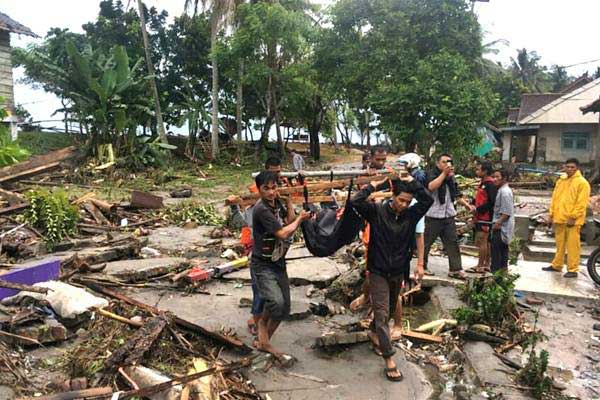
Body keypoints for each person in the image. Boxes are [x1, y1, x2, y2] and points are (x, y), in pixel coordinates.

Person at [352, 175, 433, 382]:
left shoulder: (411, 215)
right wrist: (376, 184)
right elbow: (356, 201)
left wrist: (413, 182)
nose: (404, 205)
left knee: (387, 310)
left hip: (398, 271)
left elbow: (428, 200)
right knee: (381, 313)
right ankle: (389, 359)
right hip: (378, 270)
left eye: (407, 201)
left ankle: (373, 332)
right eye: (401, 200)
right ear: (393, 196)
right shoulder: (377, 211)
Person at [251, 170, 311, 359]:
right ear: (259, 190)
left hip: (278, 262)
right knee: (276, 303)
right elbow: (283, 233)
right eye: (266, 189)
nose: (271, 192)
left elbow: (289, 221)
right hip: (263, 263)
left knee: (284, 309)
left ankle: (263, 340)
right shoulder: (261, 209)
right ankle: (262, 329)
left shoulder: (276, 203)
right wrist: (301, 219)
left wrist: (289, 202)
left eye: (274, 188)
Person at [226, 156, 287, 336]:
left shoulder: (278, 196)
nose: (278, 176)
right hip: (258, 247)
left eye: (279, 173)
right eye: (274, 173)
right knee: (260, 288)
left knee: (268, 288)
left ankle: (262, 322)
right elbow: (244, 221)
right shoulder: (258, 199)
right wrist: (234, 208)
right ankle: (255, 319)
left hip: (272, 249)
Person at [424, 154, 475, 279]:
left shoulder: (451, 178)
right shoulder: (432, 174)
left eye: (449, 162)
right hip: (434, 215)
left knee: (452, 243)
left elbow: (456, 194)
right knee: (426, 243)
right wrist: (443, 174)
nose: (447, 164)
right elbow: (431, 187)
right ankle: (422, 266)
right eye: (444, 162)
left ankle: (456, 269)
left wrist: (467, 206)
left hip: (448, 215)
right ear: (438, 164)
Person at [542, 158, 591, 278]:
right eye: (567, 167)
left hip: (572, 221)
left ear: (577, 168)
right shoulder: (561, 180)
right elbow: (555, 198)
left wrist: (573, 217)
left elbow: (581, 203)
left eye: (572, 167)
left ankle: (573, 269)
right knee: (560, 244)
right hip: (559, 218)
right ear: (564, 167)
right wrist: (551, 214)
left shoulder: (582, 183)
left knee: (573, 246)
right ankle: (557, 265)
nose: (569, 169)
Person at [469, 160, 497, 273]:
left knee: (483, 241)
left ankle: (481, 265)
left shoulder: (489, 184)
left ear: (485, 171)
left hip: (485, 217)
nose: (476, 171)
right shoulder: (483, 183)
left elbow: (491, 202)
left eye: (478, 169)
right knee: (485, 241)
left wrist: (478, 210)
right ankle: (486, 264)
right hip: (481, 216)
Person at [490, 169, 515, 272]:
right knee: (503, 252)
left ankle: (496, 274)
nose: (494, 179)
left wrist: (498, 222)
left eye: (497, 177)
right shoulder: (502, 190)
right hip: (501, 225)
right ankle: (502, 274)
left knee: (497, 254)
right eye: (493, 177)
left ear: (504, 178)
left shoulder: (505, 192)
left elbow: (506, 212)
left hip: (501, 227)